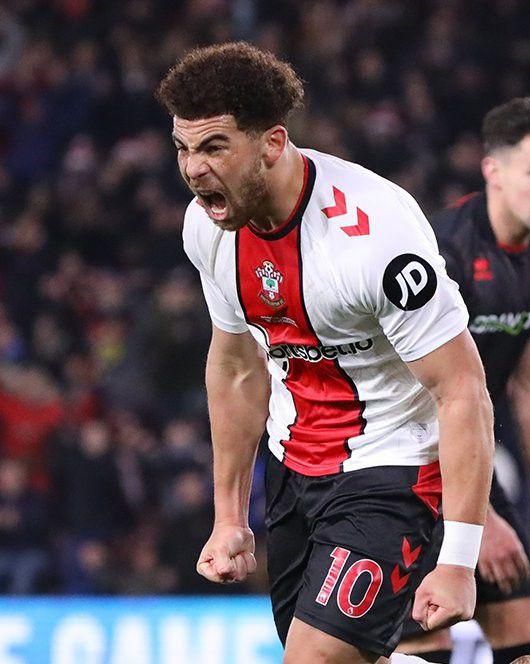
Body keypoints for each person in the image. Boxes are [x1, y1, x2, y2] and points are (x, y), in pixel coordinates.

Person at [155, 42, 495, 664]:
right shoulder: (208, 227)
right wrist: (230, 517)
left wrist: (458, 560)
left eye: (213, 147)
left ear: (273, 144)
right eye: (182, 148)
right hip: (294, 470)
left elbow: (461, 389)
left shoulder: (376, 241)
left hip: (395, 469)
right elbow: (235, 369)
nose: (193, 170)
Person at [399, 98, 530, 664]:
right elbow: (412, 393)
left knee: (527, 630)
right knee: (426, 633)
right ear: (492, 170)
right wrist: (482, 520)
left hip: (467, 455)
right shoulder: (441, 251)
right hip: (402, 456)